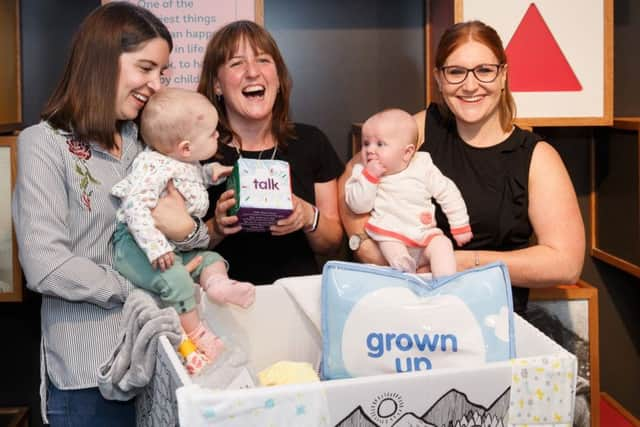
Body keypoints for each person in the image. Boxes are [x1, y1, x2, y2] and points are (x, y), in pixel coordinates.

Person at [11, 3, 206, 425]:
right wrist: (135, 286)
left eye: (163, 74)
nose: (156, 85)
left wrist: (189, 230)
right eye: (147, 68)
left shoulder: (147, 145)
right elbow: (46, 266)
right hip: (90, 373)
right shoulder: (45, 145)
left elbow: (190, 233)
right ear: (102, 60)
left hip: (163, 362)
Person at [339, 20, 585, 316]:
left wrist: (462, 261)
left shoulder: (536, 156)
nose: (470, 85)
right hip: (406, 319)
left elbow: (565, 263)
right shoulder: (420, 131)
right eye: (455, 72)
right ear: (439, 79)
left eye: (484, 70)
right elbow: (349, 181)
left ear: (503, 75)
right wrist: (363, 242)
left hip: (491, 323)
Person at [111, 88, 255, 362]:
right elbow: (134, 206)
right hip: (135, 245)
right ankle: (197, 336)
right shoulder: (152, 168)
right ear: (186, 147)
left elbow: (193, 175)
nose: (217, 135)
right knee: (177, 280)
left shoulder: (181, 161)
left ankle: (218, 285)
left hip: (171, 244)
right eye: (212, 133)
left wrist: (213, 173)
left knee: (211, 258)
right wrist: (155, 248)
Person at [197, 20, 344, 284]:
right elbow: (171, 251)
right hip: (220, 309)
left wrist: (307, 215)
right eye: (236, 63)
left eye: (263, 60)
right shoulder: (196, 154)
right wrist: (215, 228)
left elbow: (331, 243)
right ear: (217, 85)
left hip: (298, 303)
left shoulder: (311, 141)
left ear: (278, 78)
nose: (253, 72)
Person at [344, 108, 472, 276]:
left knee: (443, 245)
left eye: (380, 144)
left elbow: (447, 192)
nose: (370, 150)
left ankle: (445, 283)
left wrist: (460, 224)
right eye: (366, 143)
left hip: (425, 234)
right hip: (389, 234)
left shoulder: (423, 165)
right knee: (393, 251)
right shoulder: (363, 172)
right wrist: (370, 178)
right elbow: (358, 206)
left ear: (407, 152)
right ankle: (404, 271)